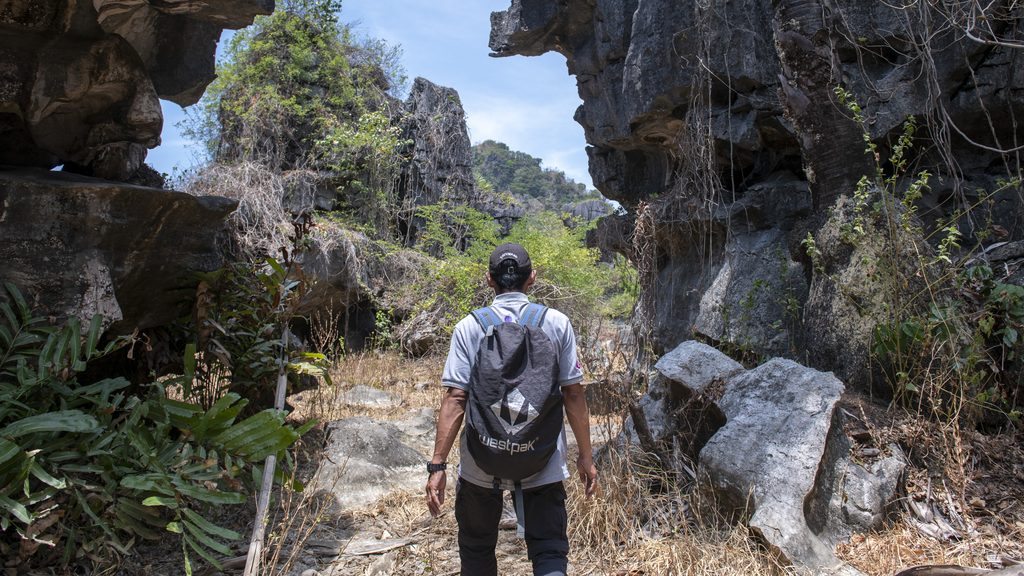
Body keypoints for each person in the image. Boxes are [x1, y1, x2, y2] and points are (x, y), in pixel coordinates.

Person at [425, 242, 598, 576]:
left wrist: (437, 466)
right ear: (531, 278)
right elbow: (574, 395)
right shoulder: (557, 323)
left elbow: (455, 399)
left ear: (489, 280)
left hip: (480, 461)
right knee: (549, 550)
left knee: (476, 550)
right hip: (542, 458)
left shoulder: (469, 327)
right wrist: (586, 458)